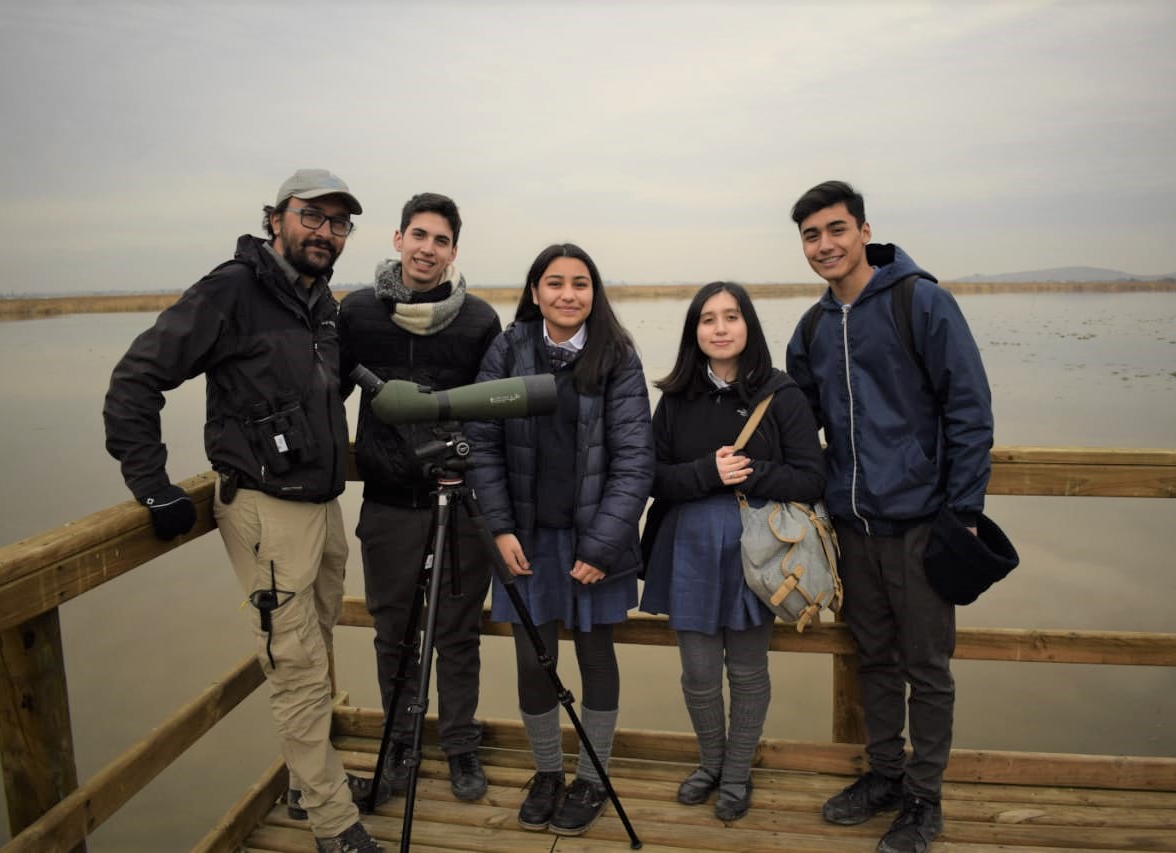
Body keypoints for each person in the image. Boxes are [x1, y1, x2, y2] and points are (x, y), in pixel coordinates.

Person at [104, 169, 384, 853]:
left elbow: (332, 386)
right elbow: (135, 379)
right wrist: (153, 484)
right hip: (264, 509)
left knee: (313, 647)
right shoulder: (233, 289)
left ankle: (303, 777)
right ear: (275, 218)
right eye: (312, 216)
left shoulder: (321, 304)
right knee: (293, 661)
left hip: (321, 506)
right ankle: (331, 820)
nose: (326, 232)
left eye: (339, 223)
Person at [784, 180, 993, 853]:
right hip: (854, 527)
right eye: (812, 235)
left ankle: (924, 802)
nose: (825, 245)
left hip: (925, 524)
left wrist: (961, 516)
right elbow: (795, 422)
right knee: (873, 657)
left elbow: (969, 410)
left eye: (836, 229)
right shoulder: (813, 328)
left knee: (928, 667)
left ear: (864, 230)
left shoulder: (920, 301)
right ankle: (884, 775)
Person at [464, 243, 653, 836]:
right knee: (531, 660)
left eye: (580, 283)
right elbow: (482, 441)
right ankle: (548, 771)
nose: (568, 294)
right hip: (525, 539)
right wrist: (499, 529)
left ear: (594, 292)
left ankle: (592, 775)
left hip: (596, 540)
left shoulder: (617, 355)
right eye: (555, 283)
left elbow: (635, 459)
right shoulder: (509, 347)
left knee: (597, 657)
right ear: (536, 290)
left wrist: (601, 546)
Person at [640, 281, 825, 822]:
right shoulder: (675, 397)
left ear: (749, 325)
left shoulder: (782, 393)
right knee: (698, 672)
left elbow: (812, 478)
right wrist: (706, 472)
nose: (720, 329)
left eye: (731, 317)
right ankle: (711, 763)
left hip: (759, 553)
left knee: (746, 670)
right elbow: (651, 475)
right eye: (708, 319)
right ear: (694, 331)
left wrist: (749, 473)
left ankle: (738, 774)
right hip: (687, 550)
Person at [337, 193, 500, 803]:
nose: (427, 249)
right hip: (385, 502)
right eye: (419, 236)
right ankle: (400, 746)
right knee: (393, 633)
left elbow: (494, 410)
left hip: (458, 502)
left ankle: (460, 746)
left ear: (453, 251)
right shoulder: (355, 312)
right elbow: (324, 392)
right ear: (398, 238)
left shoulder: (480, 319)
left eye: (440, 240)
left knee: (458, 633)